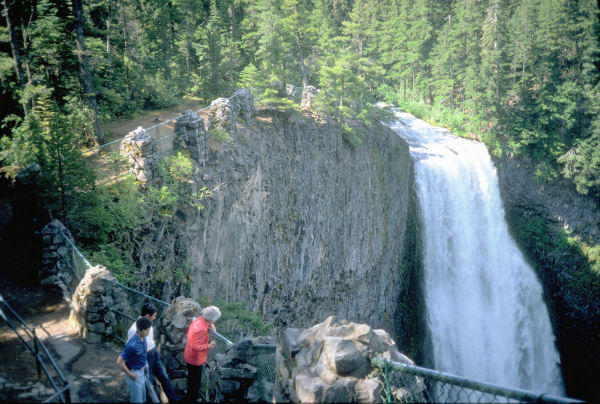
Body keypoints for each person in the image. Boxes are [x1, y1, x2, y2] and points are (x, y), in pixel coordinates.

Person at [128, 304, 180, 403]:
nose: (155, 318)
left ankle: (174, 400)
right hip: (144, 357)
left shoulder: (148, 323)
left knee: (164, 377)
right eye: (154, 316)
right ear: (147, 316)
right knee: (147, 382)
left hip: (153, 353)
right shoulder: (134, 330)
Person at [184, 305, 221, 403]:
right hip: (195, 359)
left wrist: (212, 326)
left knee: (192, 379)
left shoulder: (199, 320)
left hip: (189, 355)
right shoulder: (201, 329)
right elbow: (195, 346)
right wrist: (208, 346)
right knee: (195, 383)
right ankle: (191, 399)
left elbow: (209, 324)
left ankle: (190, 396)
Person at [117, 316, 152, 403]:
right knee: (137, 401)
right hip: (135, 373)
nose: (148, 332)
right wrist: (130, 374)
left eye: (149, 329)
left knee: (143, 399)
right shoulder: (132, 344)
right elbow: (119, 361)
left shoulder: (144, 337)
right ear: (139, 330)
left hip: (142, 370)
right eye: (146, 330)